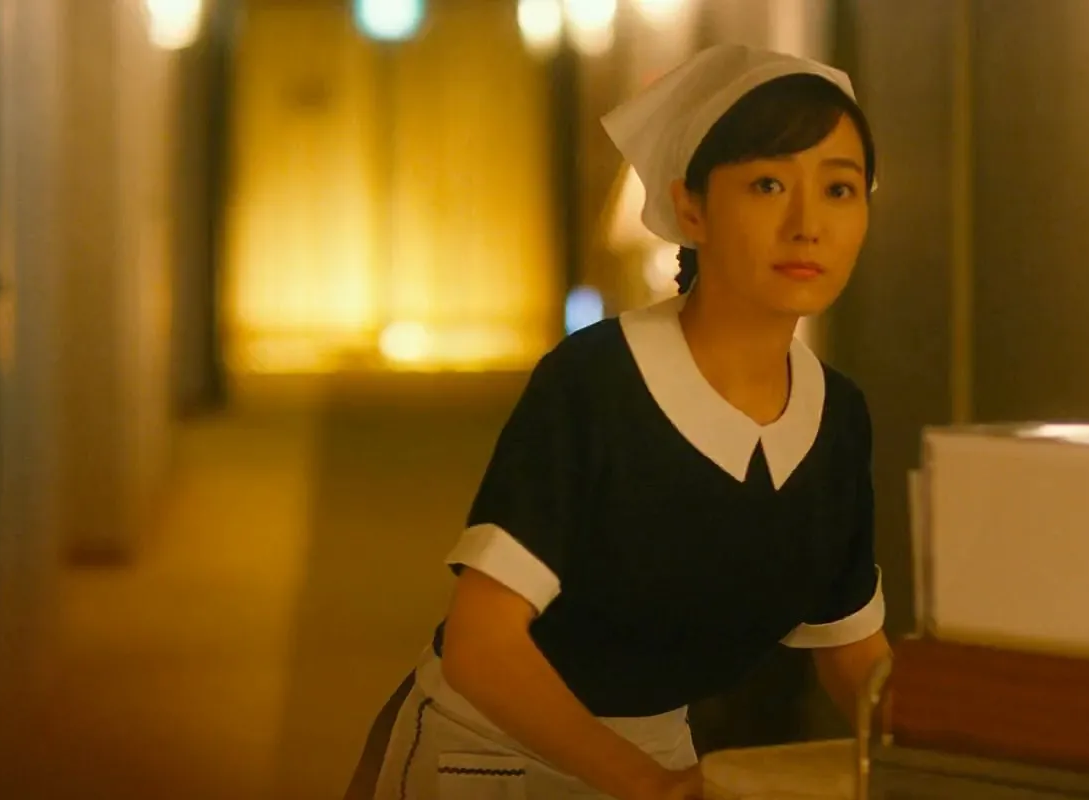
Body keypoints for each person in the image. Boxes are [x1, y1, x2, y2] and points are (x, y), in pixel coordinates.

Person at [351, 43, 890, 800]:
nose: (808, 225)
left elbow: (850, 647)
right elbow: (482, 645)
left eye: (839, 189)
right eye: (768, 184)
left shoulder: (837, 418)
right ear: (691, 208)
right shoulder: (599, 382)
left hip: (664, 753)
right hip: (494, 752)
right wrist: (647, 785)